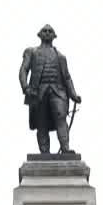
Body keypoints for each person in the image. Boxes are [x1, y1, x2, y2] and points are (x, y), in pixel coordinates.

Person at [19, 24, 81, 155]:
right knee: (42, 123)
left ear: (54, 36)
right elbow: (23, 70)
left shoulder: (61, 57)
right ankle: (44, 153)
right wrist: (25, 87)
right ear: (39, 34)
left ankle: (65, 149)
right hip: (38, 92)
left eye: (50, 31)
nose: (47, 33)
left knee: (61, 116)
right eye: (44, 31)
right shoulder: (32, 52)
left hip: (57, 92)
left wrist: (73, 95)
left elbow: (67, 77)